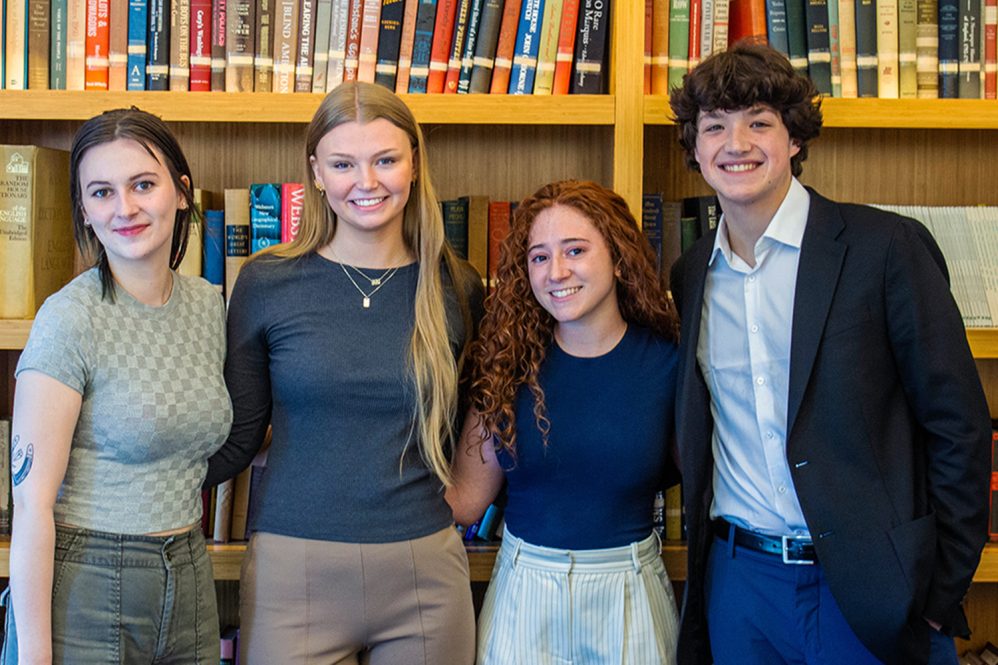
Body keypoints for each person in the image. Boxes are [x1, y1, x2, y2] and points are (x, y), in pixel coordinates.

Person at [668, 41, 991, 665]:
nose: (736, 143)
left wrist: (935, 588)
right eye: (715, 127)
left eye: (759, 122)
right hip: (741, 587)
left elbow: (959, 427)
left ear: (794, 139)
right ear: (696, 149)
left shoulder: (885, 249)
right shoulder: (690, 275)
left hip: (872, 589)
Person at [205, 81, 483, 665]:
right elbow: (240, 436)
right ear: (317, 172)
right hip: (293, 571)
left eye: (386, 159)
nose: (367, 182)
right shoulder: (265, 282)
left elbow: (483, 414)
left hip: (425, 572)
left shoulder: (456, 286)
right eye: (343, 163)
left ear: (414, 163)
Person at [1, 108, 232, 664]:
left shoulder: (206, 305)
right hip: (86, 582)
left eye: (142, 185)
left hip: (192, 572)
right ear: (83, 207)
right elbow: (31, 505)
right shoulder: (69, 320)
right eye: (101, 192)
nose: (124, 208)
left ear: (180, 192)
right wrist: (33, 655)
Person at [447, 179, 682, 665]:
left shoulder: (670, 365)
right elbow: (465, 502)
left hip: (630, 589)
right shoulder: (504, 367)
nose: (556, 272)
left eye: (575, 250)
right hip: (523, 587)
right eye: (538, 257)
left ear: (618, 257)